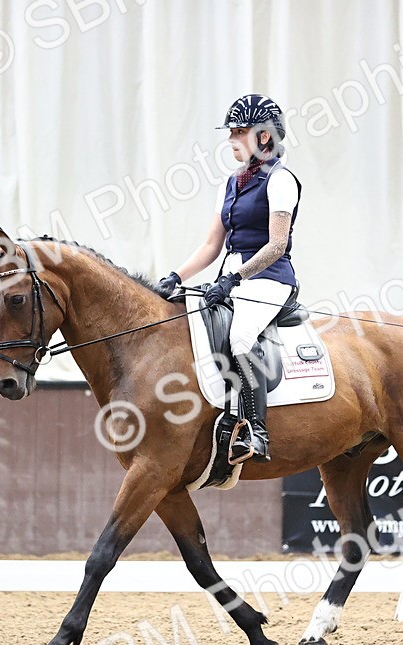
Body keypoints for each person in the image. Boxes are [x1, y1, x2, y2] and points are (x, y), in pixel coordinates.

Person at [157, 94, 301, 464]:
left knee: (239, 337)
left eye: (239, 132)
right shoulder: (232, 183)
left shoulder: (281, 180)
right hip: (234, 277)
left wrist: (235, 276)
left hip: (270, 277)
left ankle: (257, 431)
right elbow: (210, 244)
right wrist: (176, 276)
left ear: (264, 138)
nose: (231, 140)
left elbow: (276, 244)